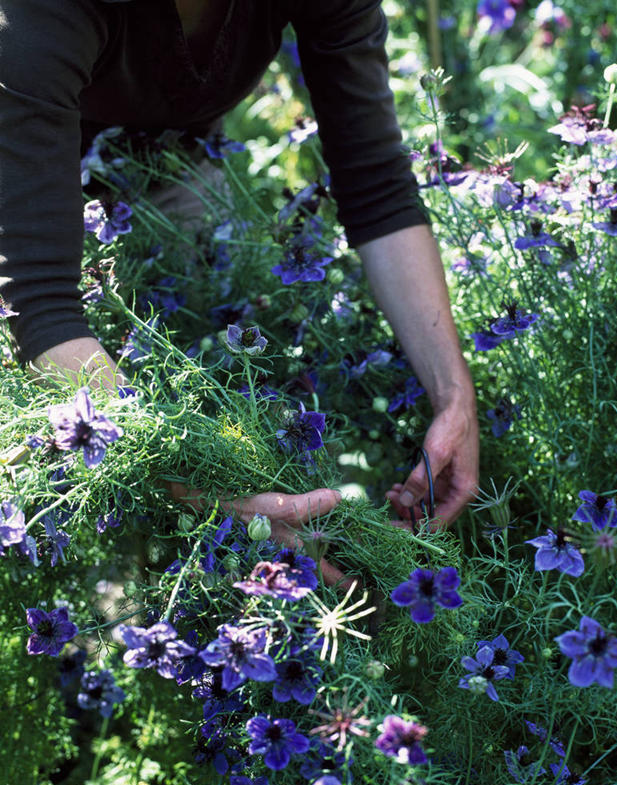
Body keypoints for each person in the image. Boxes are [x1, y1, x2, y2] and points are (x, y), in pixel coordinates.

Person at [0, 0, 479, 567]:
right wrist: (207, 491)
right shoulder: (33, 15)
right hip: (14, 174)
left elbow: (375, 184)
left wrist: (453, 394)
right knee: (90, 497)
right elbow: (36, 300)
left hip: (164, 167)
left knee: (206, 351)